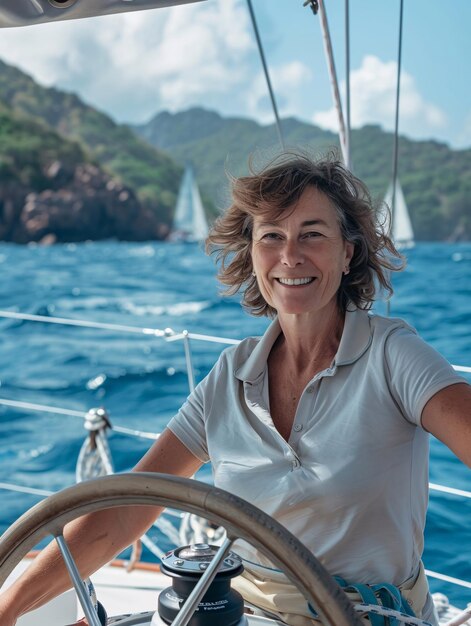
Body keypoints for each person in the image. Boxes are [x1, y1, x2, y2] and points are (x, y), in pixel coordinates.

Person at [0, 153, 470, 626]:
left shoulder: (394, 357)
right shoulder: (230, 374)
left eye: (312, 234)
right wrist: (10, 605)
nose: (290, 255)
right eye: (271, 236)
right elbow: (126, 514)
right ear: (251, 253)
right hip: (238, 615)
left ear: (347, 252)